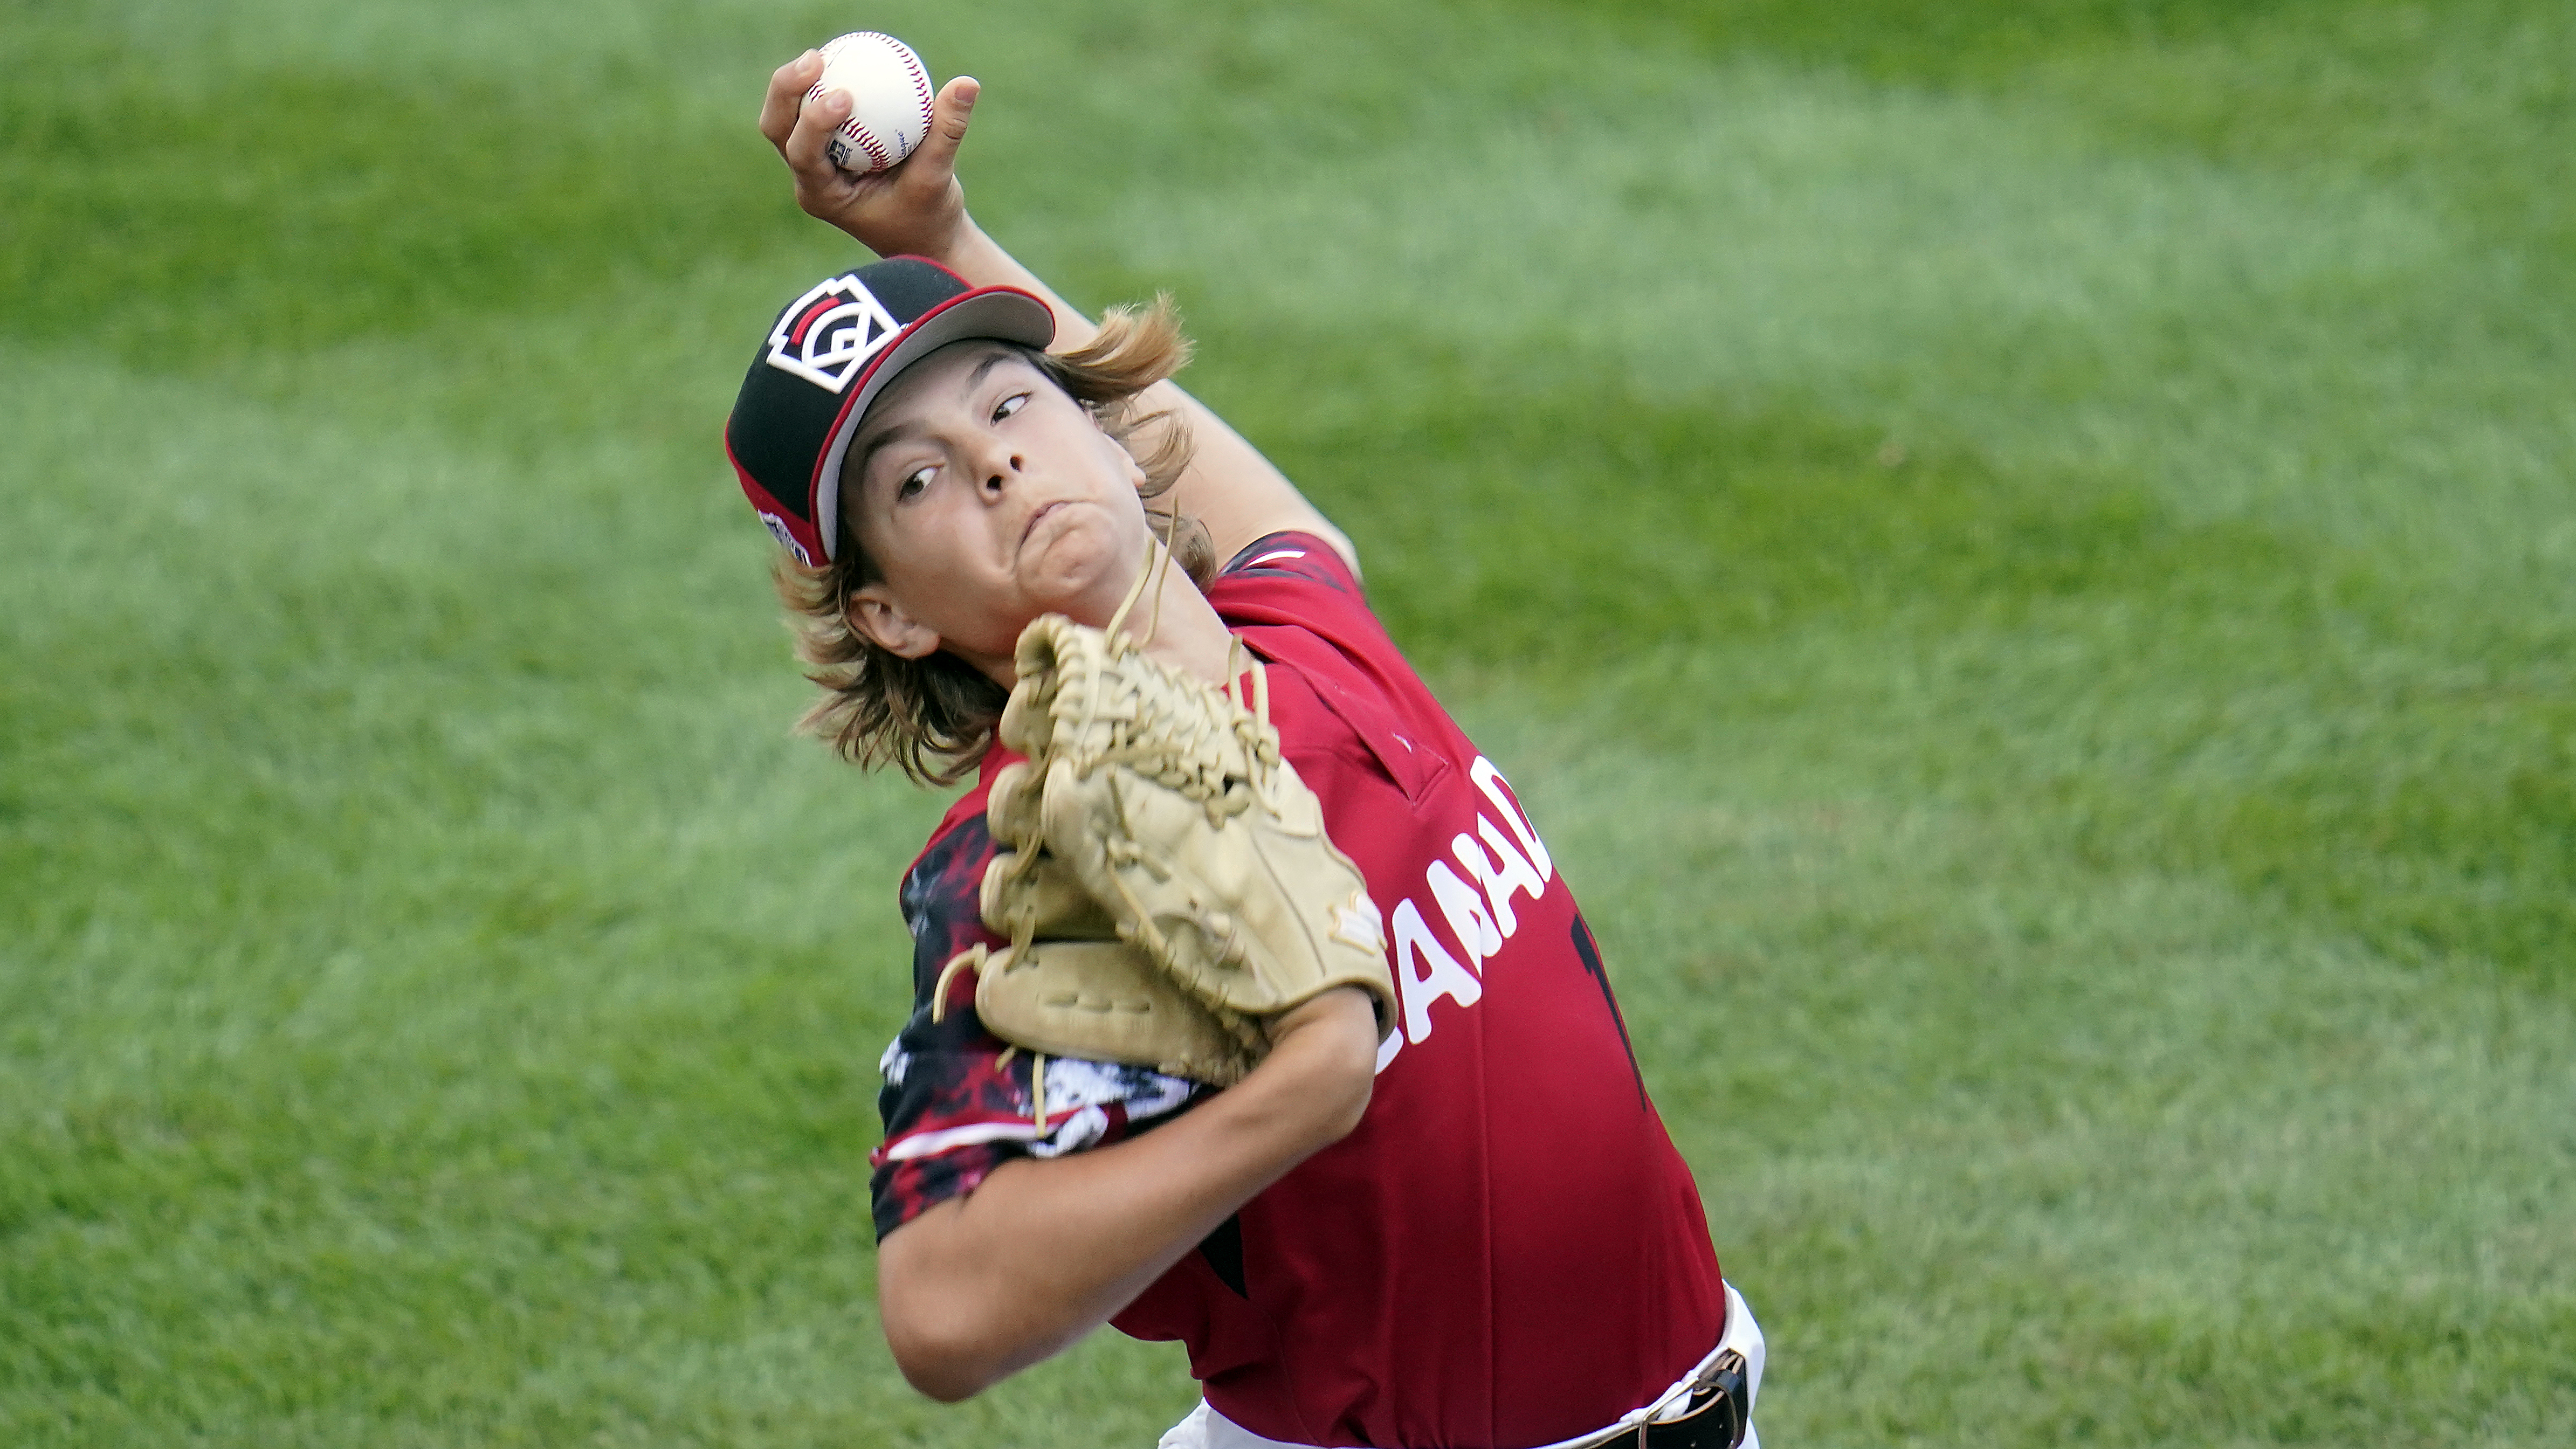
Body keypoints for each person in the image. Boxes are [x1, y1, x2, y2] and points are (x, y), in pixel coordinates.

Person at [720, 48, 1768, 1449]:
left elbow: (1239, 504)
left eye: (1010, 405)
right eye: (917, 481)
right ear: (890, 615)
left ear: (1091, 419)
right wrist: (1289, 1103)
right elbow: (940, 1314)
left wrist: (941, 241)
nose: (993, 465)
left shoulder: (1300, 621)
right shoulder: (1038, 850)